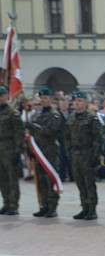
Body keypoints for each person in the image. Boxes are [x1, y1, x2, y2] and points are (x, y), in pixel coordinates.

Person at [65, 91, 102, 221]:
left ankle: (92, 209)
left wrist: (96, 155)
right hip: (75, 154)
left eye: (80, 100)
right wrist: (68, 151)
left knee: (89, 182)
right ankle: (84, 207)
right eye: (75, 101)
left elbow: (98, 138)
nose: (77, 103)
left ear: (86, 102)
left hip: (87, 152)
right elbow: (67, 137)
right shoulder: (71, 117)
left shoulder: (92, 118)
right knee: (80, 182)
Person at [29, 88, 64, 218]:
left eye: (45, 98)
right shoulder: (36, 115)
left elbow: (50, 131)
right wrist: (30, 149)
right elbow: (32, 135)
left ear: (50, 99)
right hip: (38, 151)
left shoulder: (55, 115)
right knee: (41, 179)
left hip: (49, 151)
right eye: (41, 98)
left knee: (50, 178)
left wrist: (33, 126)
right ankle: (44, 205)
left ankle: (52, 207)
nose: (43, 100)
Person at [0, 86, 23, 215]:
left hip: (9, 149)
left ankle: (14, 205)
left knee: (12, 178)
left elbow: (19, 133)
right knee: (2, 178)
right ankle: (6, 202)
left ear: (5, 96)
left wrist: (17, 151)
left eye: (1, 96)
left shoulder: (12, 113)